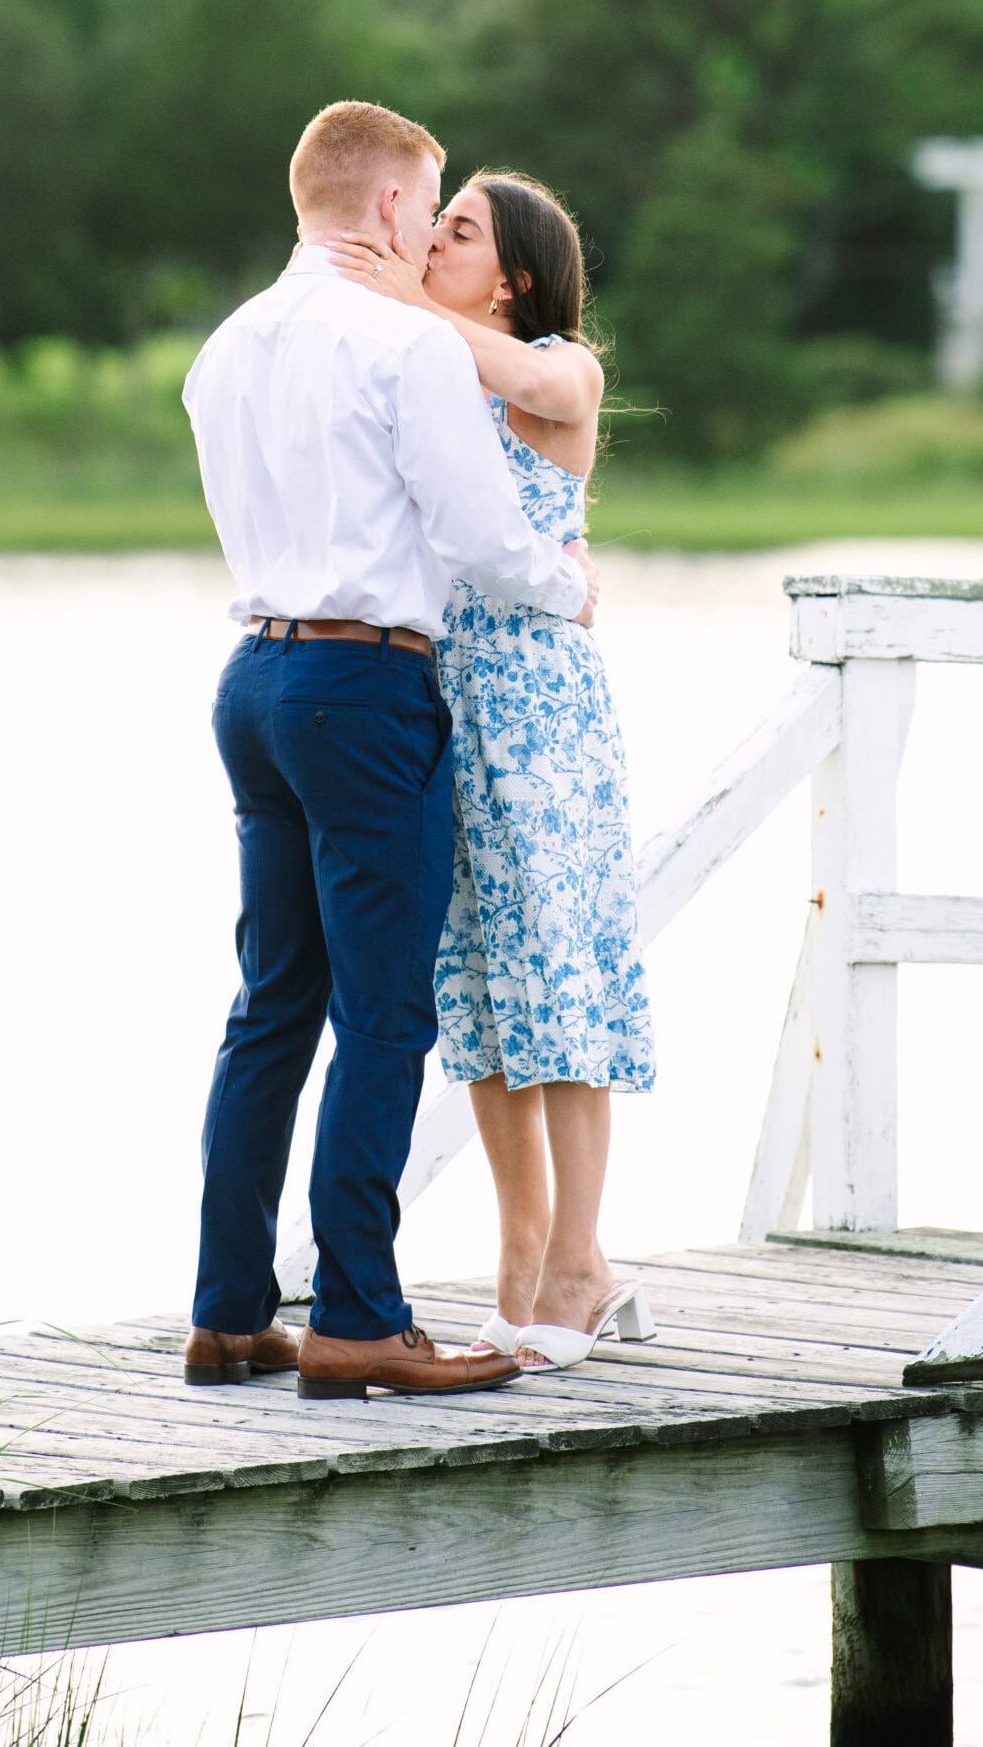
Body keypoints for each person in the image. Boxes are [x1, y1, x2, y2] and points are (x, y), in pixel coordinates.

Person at [182, 102, 595, 1400]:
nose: (424, 232)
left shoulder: (225, 346)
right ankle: (360, 1313)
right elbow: (478, 538)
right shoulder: (398, 345)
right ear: (382, 208)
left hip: (253, 676)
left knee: (270, 1008)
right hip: (363, 685)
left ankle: (232, 1314)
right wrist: (566, 587)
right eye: (424, 207)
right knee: (382, 1014)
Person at [323, 171, 655, 1372]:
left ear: (508, 276)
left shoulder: (559, 365)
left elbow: (525, 380)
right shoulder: (430, 371)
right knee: (476, 986)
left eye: (453, 232)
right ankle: (521, 1254)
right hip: (435, 701)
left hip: (539, 713)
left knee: (558, 975)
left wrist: (405, 297)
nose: (428, 242)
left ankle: (579, 1255)